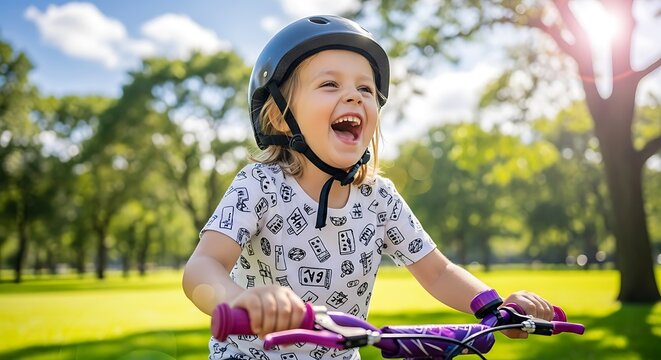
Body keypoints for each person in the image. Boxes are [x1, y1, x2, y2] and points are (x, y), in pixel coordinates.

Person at [183, 15, 554, 360]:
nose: (355, 95)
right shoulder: (259, 185)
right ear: (280, 116)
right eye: (330, 84)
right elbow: (203, 267)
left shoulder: (379, 198)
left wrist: (494, 306)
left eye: (366, 87)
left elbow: (437, 272)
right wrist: (241, 302)